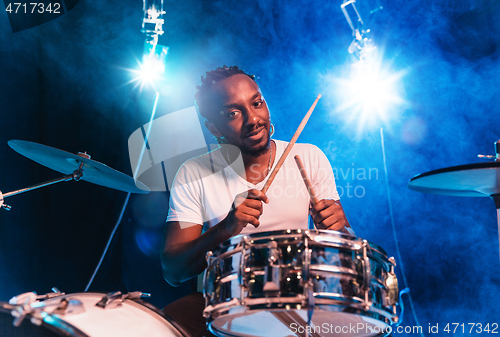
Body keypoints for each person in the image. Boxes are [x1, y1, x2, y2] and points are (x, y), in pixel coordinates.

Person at [161, 65, 352, 336]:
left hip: (297, 299)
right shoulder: (194, 172)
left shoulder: (309, 156)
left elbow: (345, 253)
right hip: (223, 305)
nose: (253, 119)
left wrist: (339, 230)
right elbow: (173, 270)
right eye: (233, 113)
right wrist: (226, 229)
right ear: (213, 127)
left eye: (257, 103)